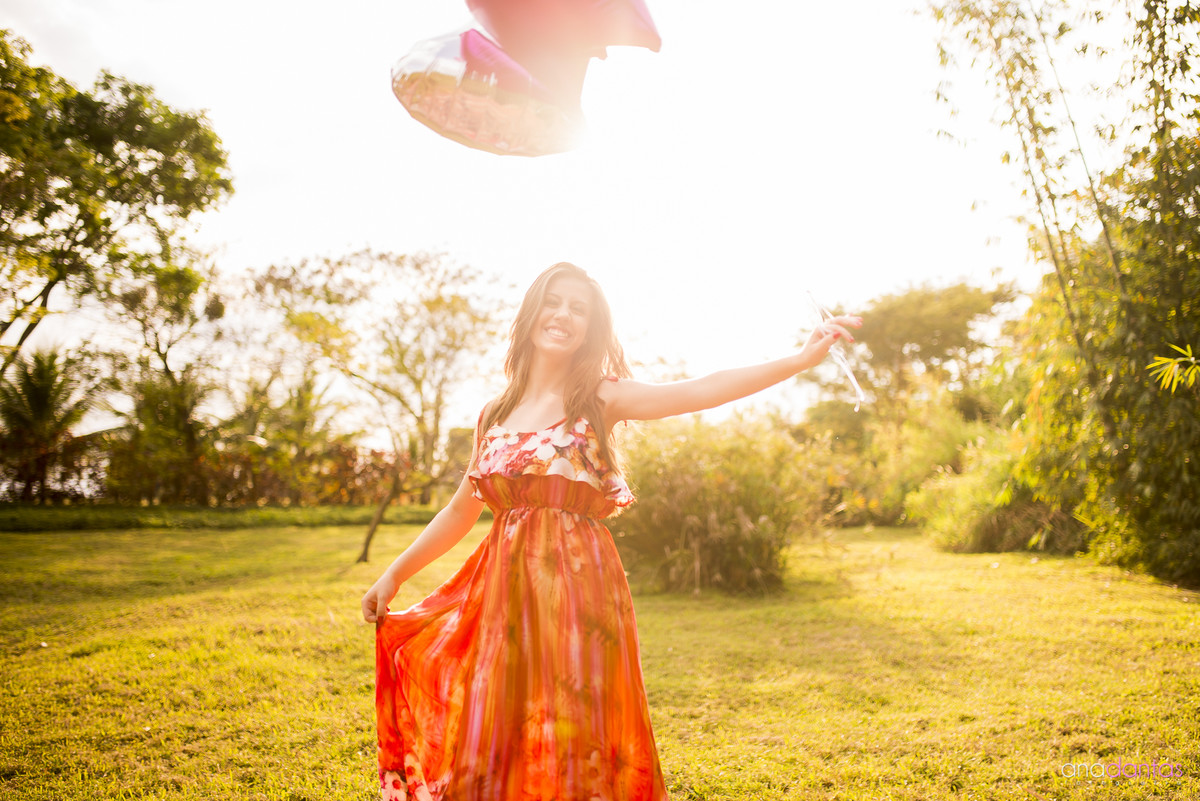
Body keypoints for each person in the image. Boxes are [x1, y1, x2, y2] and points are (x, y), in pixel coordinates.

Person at [361, 262, 861, 801]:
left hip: (580, 592)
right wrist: (393, 575)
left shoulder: (600, 397)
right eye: (554, 301)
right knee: (498, 716)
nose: (563, 315)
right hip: (503, 596)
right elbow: (461, 512)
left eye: (579, 308)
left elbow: (704, 389)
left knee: (578, 719)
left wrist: (800, 359)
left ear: (590, 329)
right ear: (532, 313)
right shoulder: (494, 413)